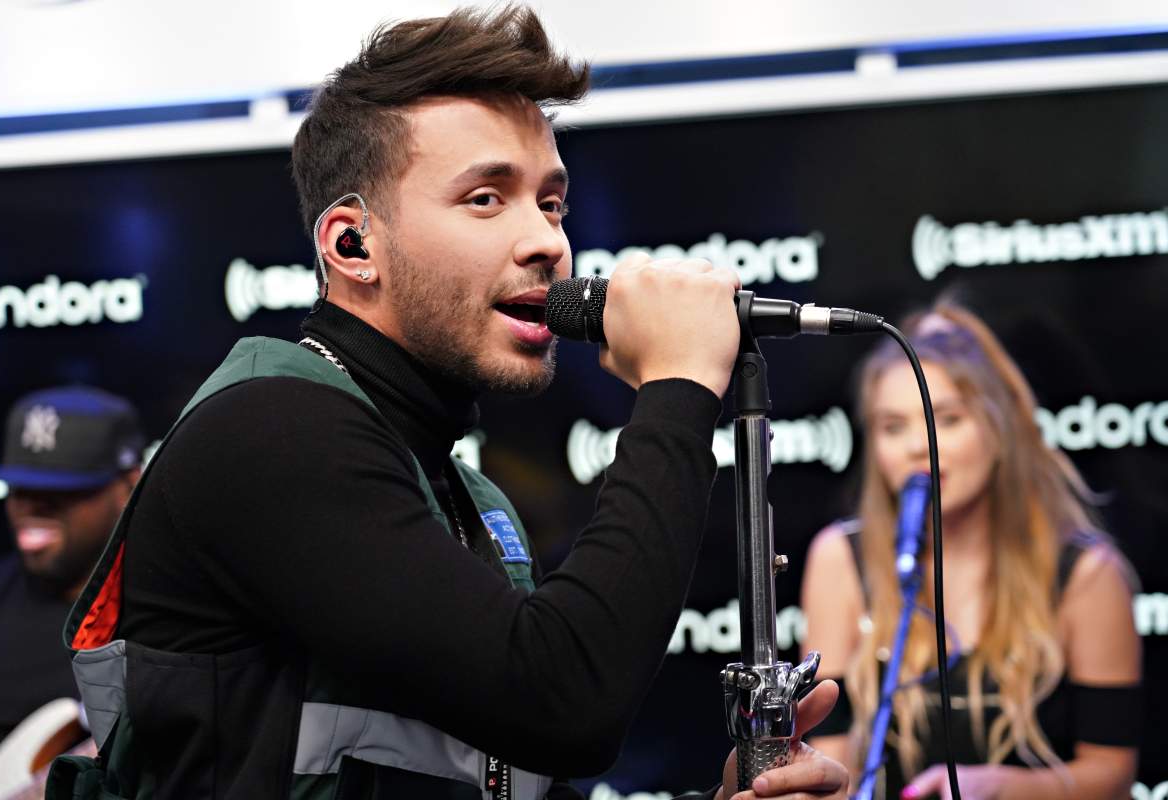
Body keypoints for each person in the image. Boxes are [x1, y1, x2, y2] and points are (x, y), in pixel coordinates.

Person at [49, 7, 847, 800]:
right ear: (352, 245)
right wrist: (676, 389)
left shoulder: (465, 495)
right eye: (486, 198)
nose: (547, 241)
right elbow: (563, 703)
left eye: (552, 204)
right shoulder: (268, 430)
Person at [800, 302, 1141, 799]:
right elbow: (829, 764)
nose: (918, 446)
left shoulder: (1087, 575)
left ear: (999, 430)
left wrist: (1004, 789)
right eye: (893, 427)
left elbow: (1112, 773)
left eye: (947, 419)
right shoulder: (840, 560)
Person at [0, 387, 143, 772]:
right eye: (20, 487)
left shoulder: (167, 613)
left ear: (129, 486)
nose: (32, 505)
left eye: (63, 489)